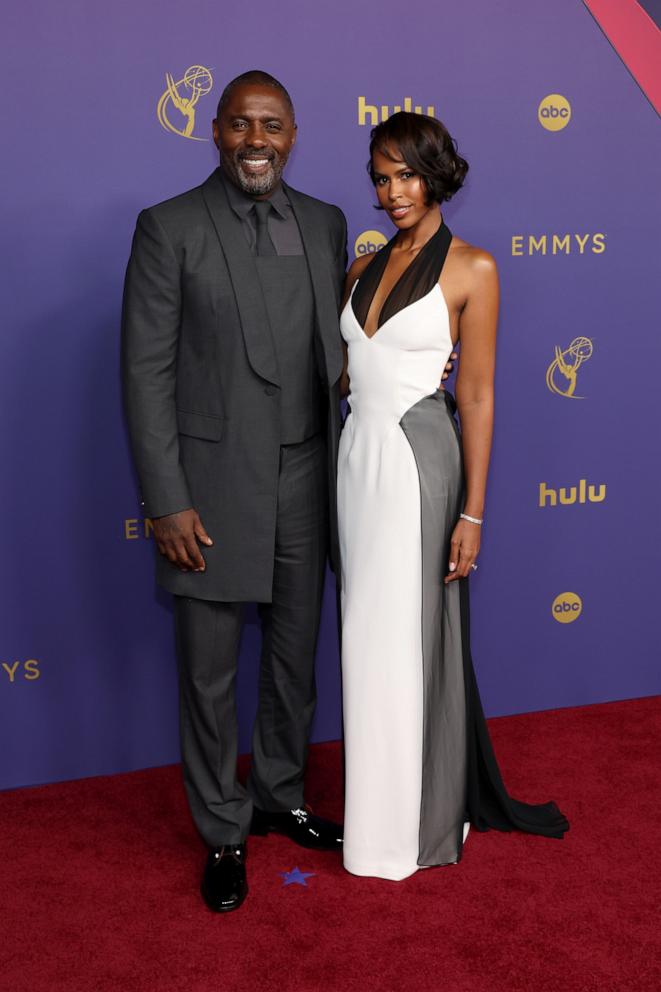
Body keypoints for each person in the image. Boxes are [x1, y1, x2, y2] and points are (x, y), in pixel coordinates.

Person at [122, 70, 351, 914]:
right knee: (210, 674)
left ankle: (279, 797)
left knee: (293, 658)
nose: (258, 142)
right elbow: (144, 375)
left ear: (293, 134)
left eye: (274, 126)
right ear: (214, 132)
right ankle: (222, 829)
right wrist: (164, 499)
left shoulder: (326, 223)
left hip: (307, 477)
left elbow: (340, 351)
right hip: (210, 491)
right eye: (242, 126)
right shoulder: (170, 227)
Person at [337, 112, 569, 881]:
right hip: (356, 462)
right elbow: (349, 374)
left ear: (436, 174)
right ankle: (372, 814)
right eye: (380, 175)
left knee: (406, 641)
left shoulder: (473, 268)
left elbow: (474, 397)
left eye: (405, 173)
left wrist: (472, 510)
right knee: (364, 639)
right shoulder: (360, 268)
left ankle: (414, 826)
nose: (391, 190)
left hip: (416, 466)